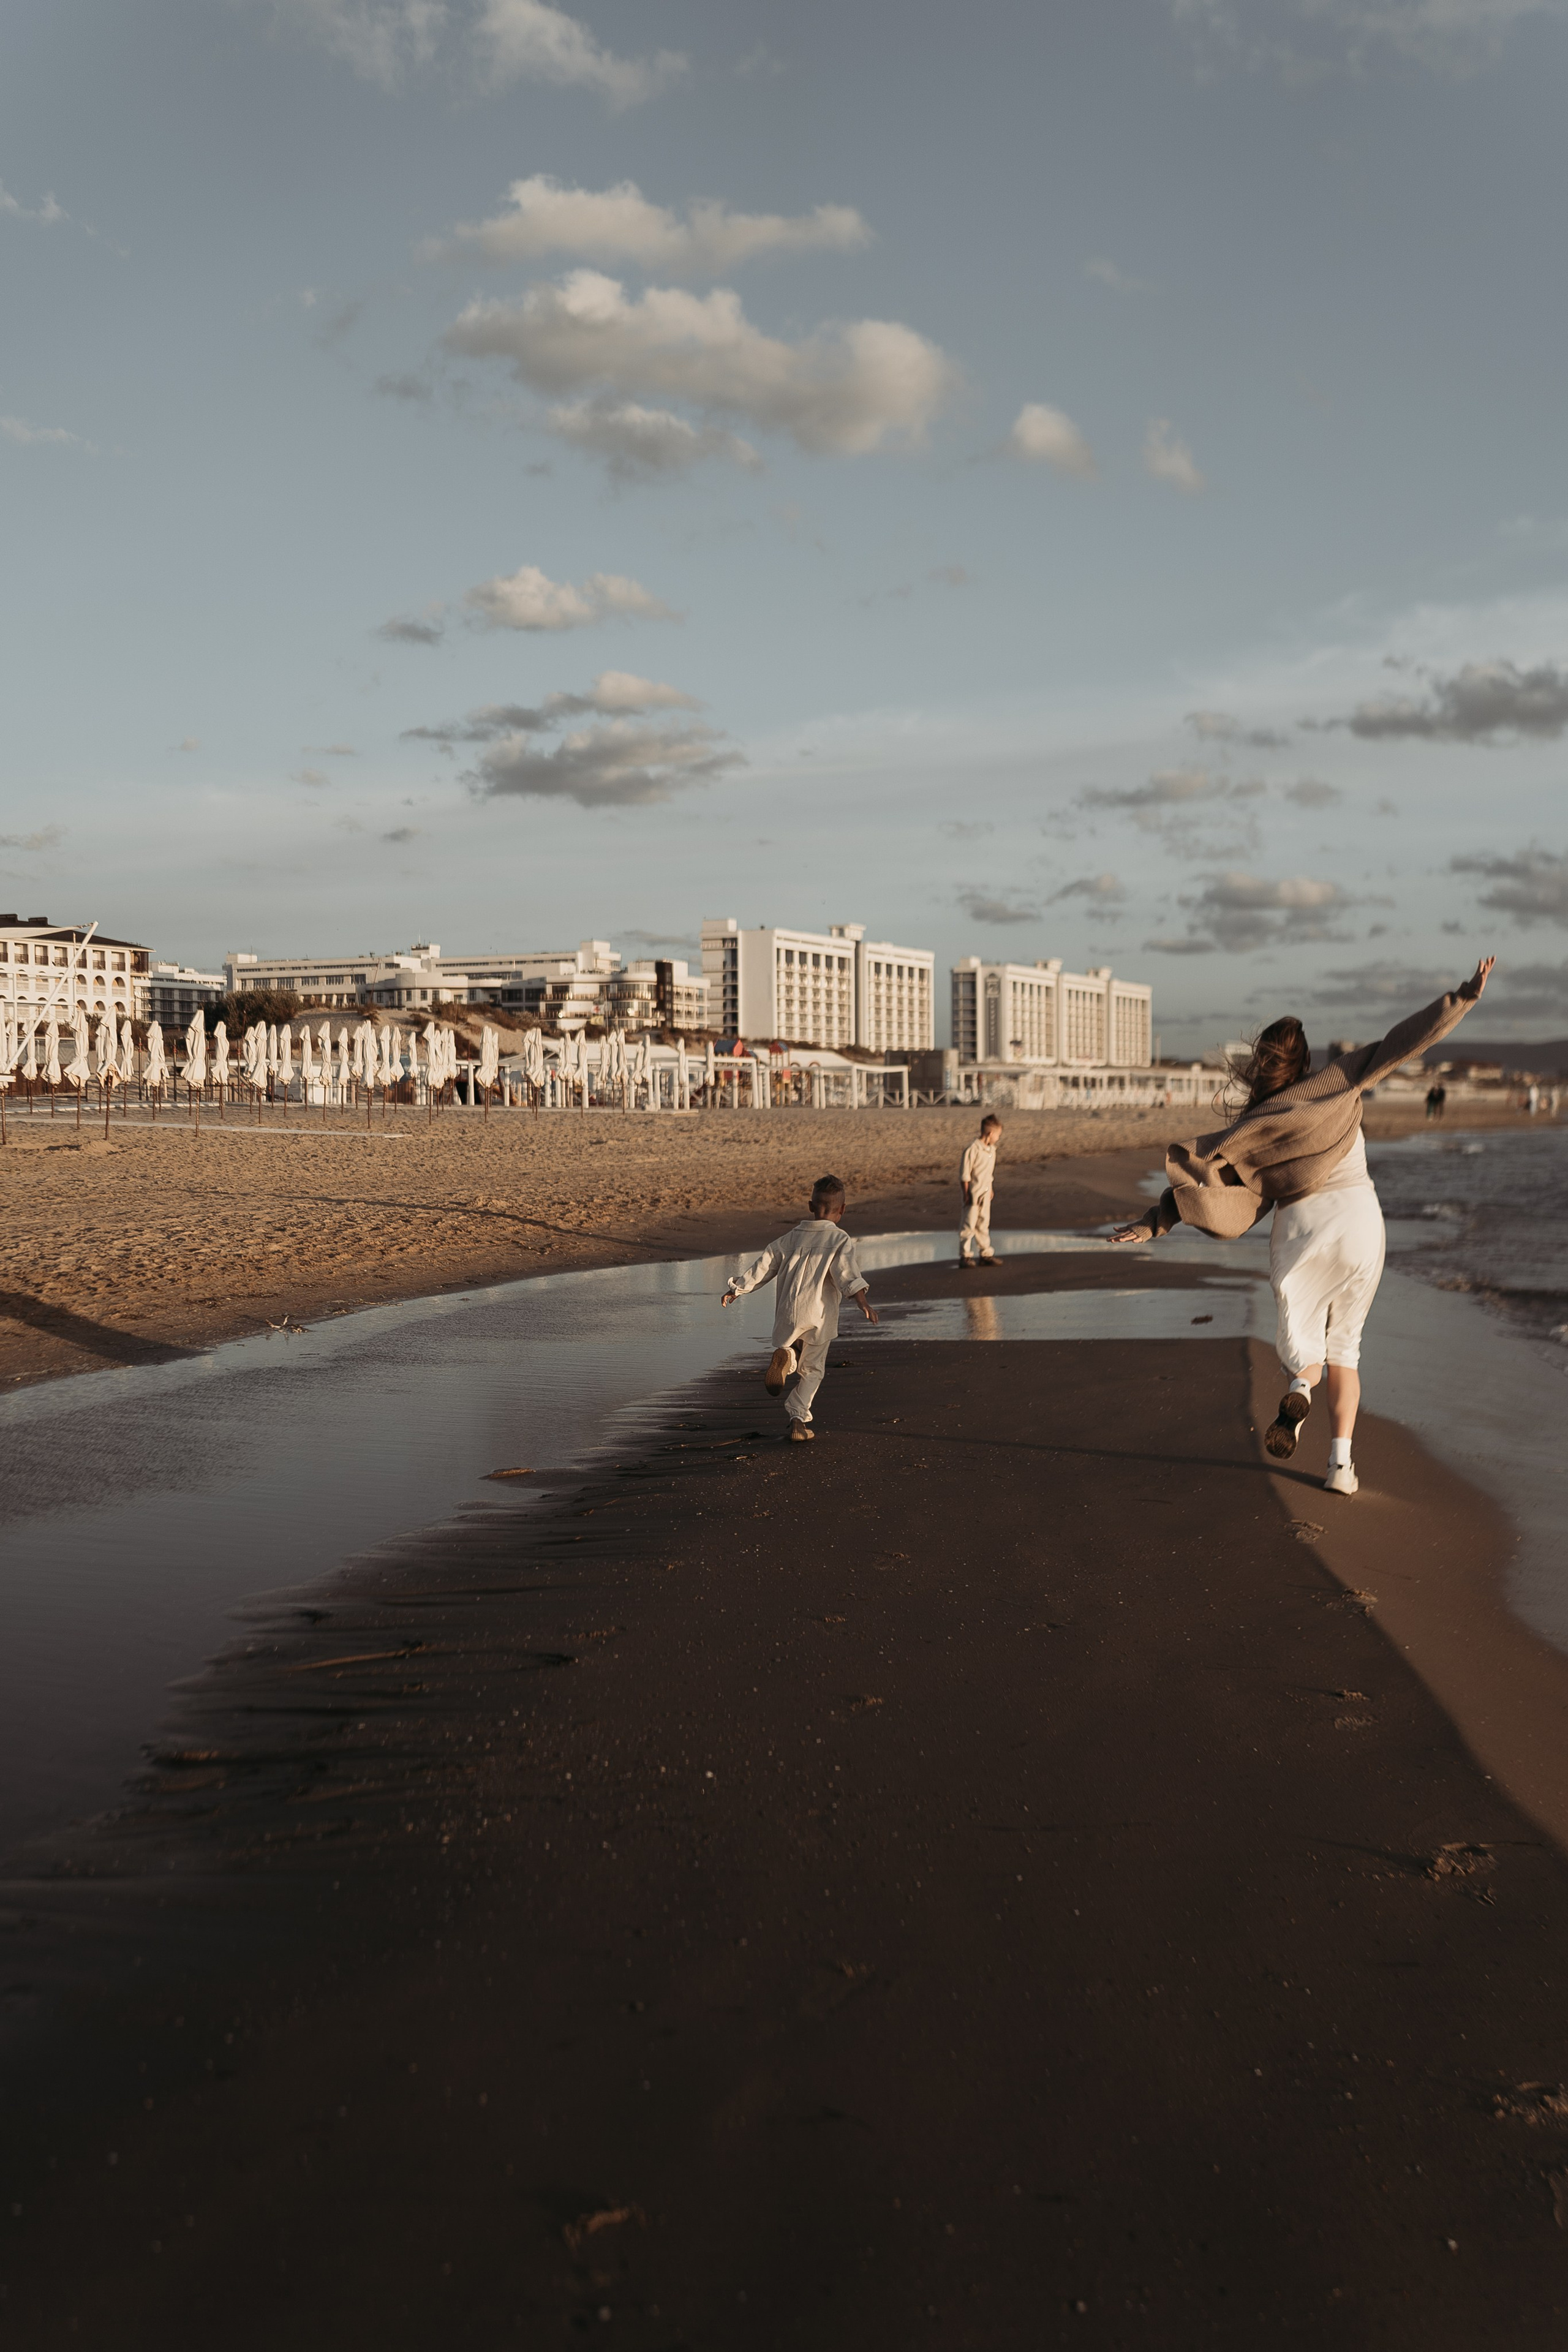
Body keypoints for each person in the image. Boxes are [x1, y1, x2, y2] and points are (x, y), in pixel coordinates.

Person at [1110, 959, 1494, 1498]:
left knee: (1307, 1350)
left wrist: (1155, 1222)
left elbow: (1211, 1181)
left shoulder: (1257, 1125)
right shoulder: (1339, 1080)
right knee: (1347, 1350)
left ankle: (1300, 1388)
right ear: (1307, 1059)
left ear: (1262, 1063)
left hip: (1302, 1230)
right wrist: (1463, 997)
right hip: (1361, 1223)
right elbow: (1405, 1041)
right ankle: (1341, 1467)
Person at [722, 1175, 879, 1442]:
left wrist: (738, 1289)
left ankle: (787, 1357)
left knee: (792, 1346)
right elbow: (847, 1274)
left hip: (789, 1311)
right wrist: (862, 1301)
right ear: (842, 1209)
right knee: (813, 1370)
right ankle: (798, 1418)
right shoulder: (839, 1239)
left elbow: (765, 1265)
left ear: (810, 1206)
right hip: (819, 1315)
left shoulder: (789, 1238)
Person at [959, 1114, 1004, 1269]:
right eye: (998, 1135)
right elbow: (965, 1175)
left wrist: (990, 1189)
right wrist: (966, 1194)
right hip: (973, 1194)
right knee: (969, 1225)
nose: (998, 1139)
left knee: (984, 1224)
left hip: (985, 1193)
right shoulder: (972, 1149)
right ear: (990, 1134)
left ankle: (986, 1254)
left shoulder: (992, 1150)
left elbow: (989, 1174)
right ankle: (965, 1256)